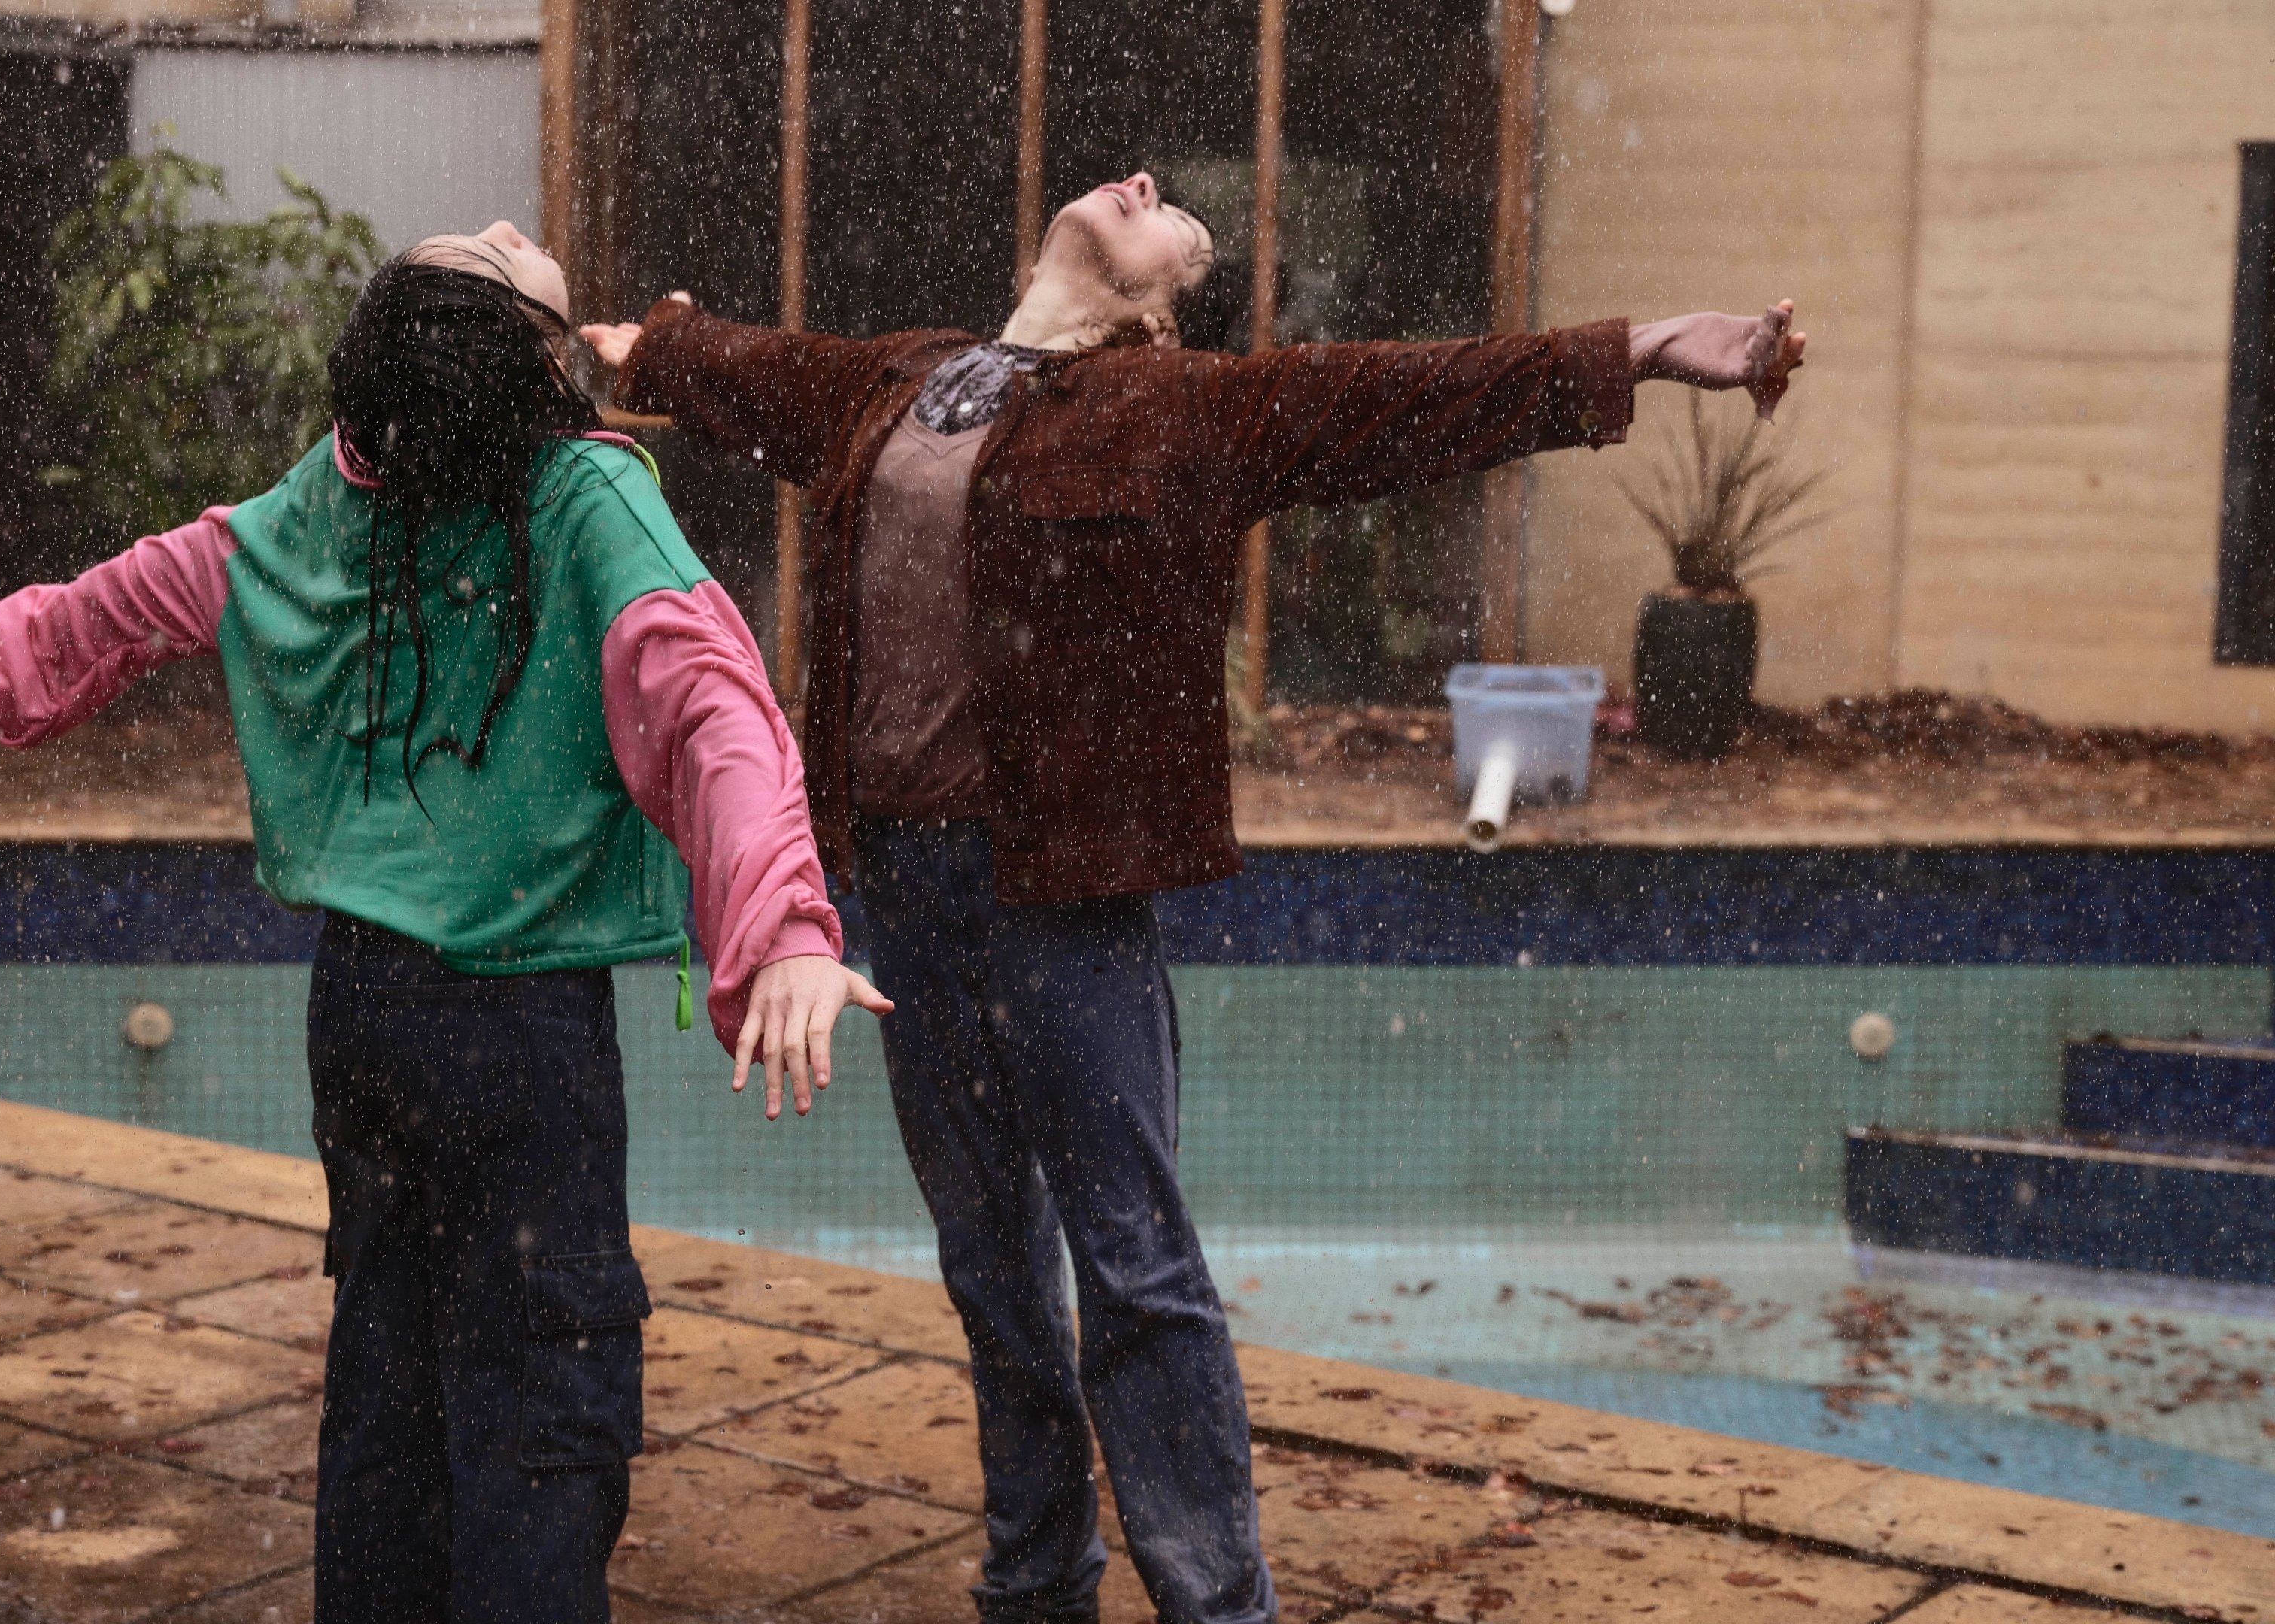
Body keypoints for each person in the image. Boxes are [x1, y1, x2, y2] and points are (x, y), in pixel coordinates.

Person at [581, 172, 1806, 1624]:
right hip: (902, 889)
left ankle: (1216, 1603)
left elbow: (1427, 391)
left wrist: (1651, 348)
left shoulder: (1184, 409)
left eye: (1176, 225)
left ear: (1160, 307)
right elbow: (745, 367)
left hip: (1062, 895)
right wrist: (639, 345)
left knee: (1136, 1269)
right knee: (989, 1266)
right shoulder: (902, 381)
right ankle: (1036, 1581)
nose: (1147, 185)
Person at [0, 221, 892, 1624]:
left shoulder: (342, 487)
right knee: (539, 1411)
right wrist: (785, 926)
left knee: (392, 1385)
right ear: (538, 371)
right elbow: (711, 704)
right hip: (516, 1028)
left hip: (361, 1010)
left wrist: (4, 646)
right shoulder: (578, 491)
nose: (502, 225)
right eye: (489, 256)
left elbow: (169, 578)